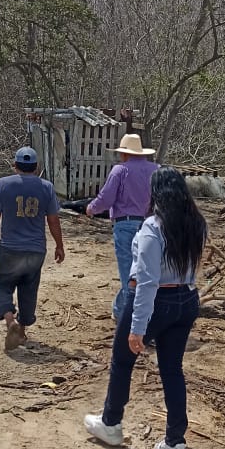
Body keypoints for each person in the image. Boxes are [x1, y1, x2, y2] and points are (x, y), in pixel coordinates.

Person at [84, 167, 207, 449]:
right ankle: (175, 443)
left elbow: (148, 282)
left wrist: (137, 328)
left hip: (159, 301)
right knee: (172, 370)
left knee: (122, 360)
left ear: (157, 193)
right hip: (187, 299)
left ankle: (111, 423)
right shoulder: (197, 223)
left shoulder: (153, 227)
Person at [0, 147, 65, 352]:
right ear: (36, 167)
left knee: (2, 285)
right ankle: (21, 331)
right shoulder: (46, 187)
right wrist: (59, 245)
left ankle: (9, 319)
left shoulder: (3, 184)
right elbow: (53, 220)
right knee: (28, 289)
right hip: (35, 250)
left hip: (9, 248)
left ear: (15, 165)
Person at [86, 133, 159, 320]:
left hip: (125, 224)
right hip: (150, 224)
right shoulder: (156, 170)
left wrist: (92, 208)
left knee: (128, 272)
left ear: (125, 154)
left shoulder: (120, 170)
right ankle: (120, 310)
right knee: (146, 269)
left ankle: (131, 318)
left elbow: (107, 198)